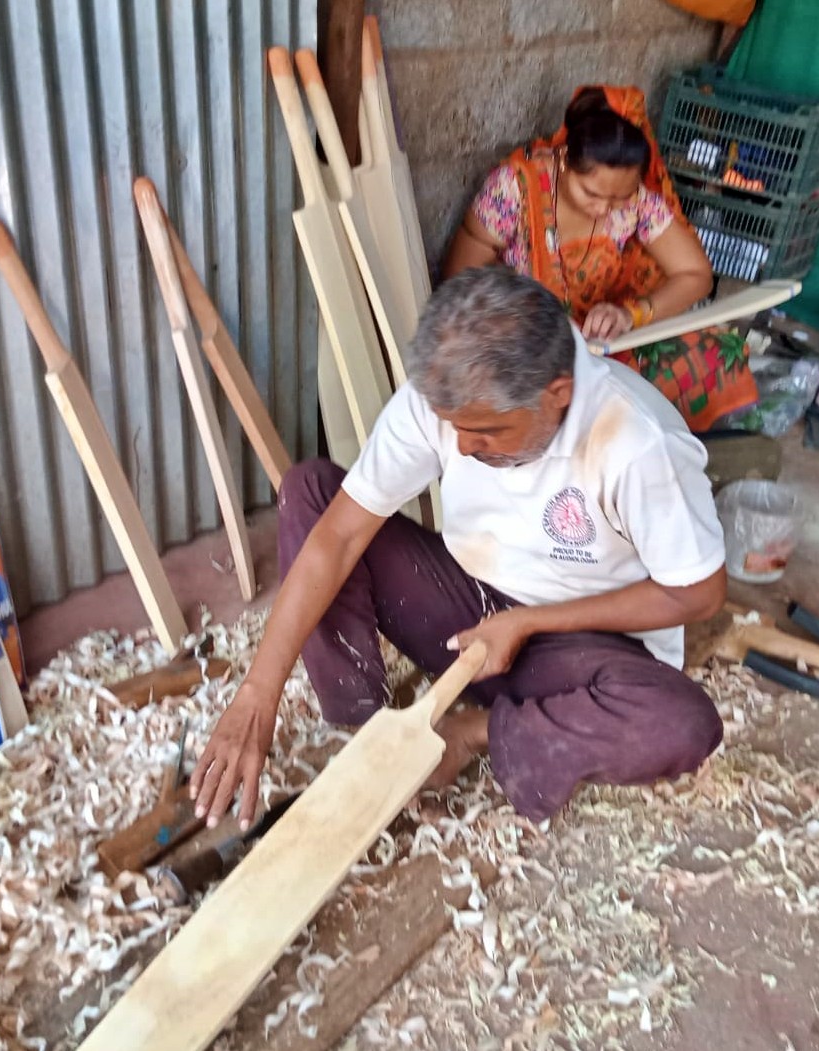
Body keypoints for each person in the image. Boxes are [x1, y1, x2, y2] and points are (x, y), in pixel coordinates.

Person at [192, 268, 728, 827]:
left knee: (680, 723)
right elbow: (342, 532)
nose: (465, 448)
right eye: (454, 428)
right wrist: (257, 694)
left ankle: (473, 732)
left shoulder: (635, 442)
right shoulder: (450, 393)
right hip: (465, 615)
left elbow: (697, 594)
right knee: (311, 492)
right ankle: (362, 730)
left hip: (582, 648)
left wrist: (530, 624)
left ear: (558, 394)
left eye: (488, 433)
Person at [443, 86, 757, 432]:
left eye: (618, 198)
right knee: (559, 402)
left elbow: (696, 274)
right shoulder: (516, 187)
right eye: (591, 193)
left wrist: (630, 314)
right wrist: (530, 321)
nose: (604, 209)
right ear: (563, 158)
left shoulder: (636, 203)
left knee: (714, 351)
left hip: (600, 340)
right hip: (519, 337)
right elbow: (462, 276)